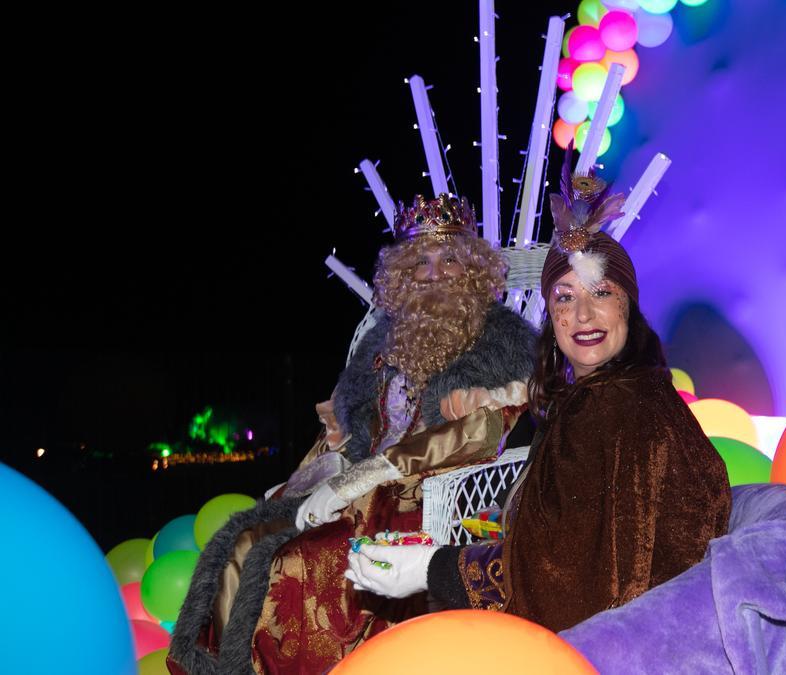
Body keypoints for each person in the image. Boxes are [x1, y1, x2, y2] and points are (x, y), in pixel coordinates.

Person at [344, 168, 732, 632]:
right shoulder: (608, 393)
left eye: (601, 293)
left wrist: (432, 568)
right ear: (552, 317)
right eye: (565, 298)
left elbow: (568, 582)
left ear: (628, 304)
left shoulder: (615, 407)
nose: (583, 314)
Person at [169, 194, 537, 674]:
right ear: (404, 276)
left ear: (472, 271)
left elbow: (482, 434)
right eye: (420, 262)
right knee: (242, 544)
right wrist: (312, 478)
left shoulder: (502, 346)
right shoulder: (381, 343)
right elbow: (353, 433)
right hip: (357, 484)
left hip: (427, 496)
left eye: (449, 259)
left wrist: (364, 478)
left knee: (296, 563)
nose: (435, 273)